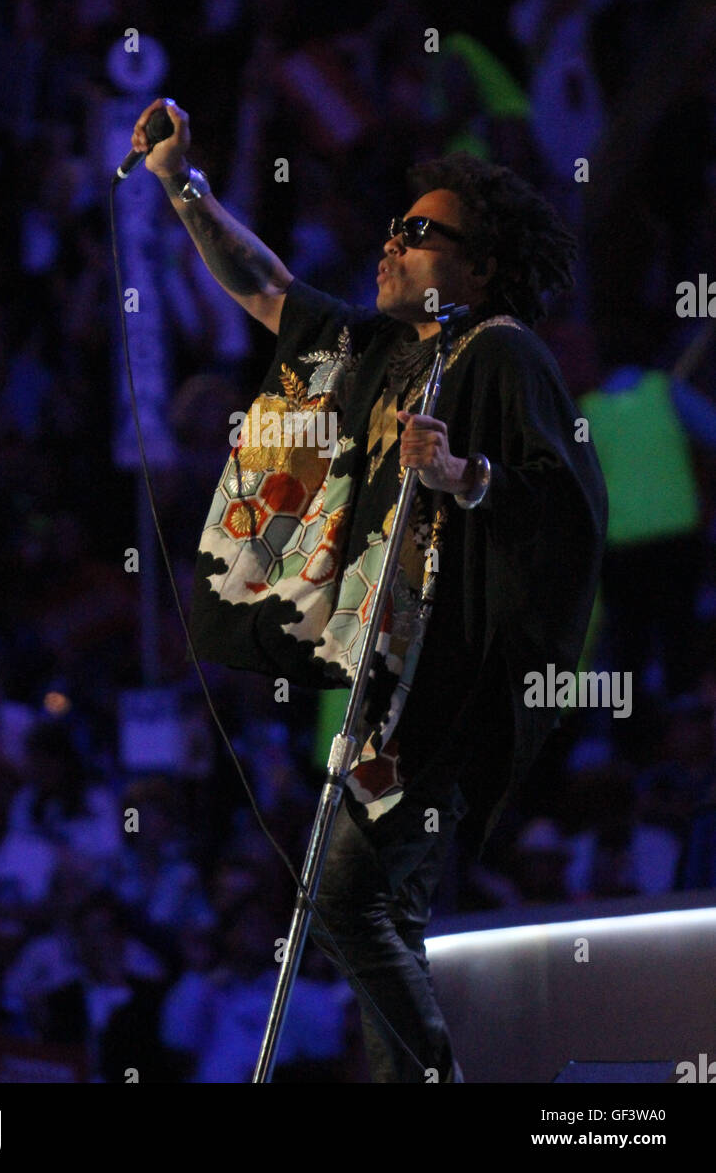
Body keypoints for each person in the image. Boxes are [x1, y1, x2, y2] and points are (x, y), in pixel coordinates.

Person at [129, 97, 608, 1084]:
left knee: (345, 898)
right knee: (376, 908)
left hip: (451, 688)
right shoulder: (382, 353)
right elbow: (265, 289)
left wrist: (462, 477)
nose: (391, 245)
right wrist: (183, 185)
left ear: (476, 268)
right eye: (393, 228)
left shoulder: (500, 351)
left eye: (420, 234)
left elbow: (562, 510)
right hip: (391, 689)